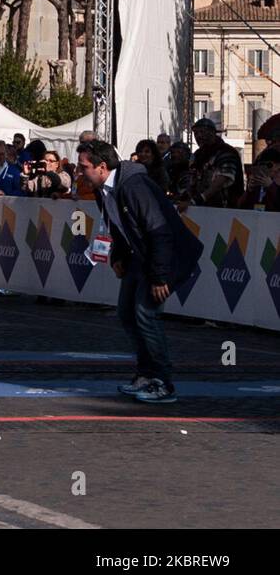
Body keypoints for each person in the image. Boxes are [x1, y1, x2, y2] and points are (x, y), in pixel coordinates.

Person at [75, 140, 203, 405]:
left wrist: (160, 276)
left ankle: (163, 382)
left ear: (101, 166)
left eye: (83, 166)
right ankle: (146, 374)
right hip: (139, 256)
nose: (79, 172)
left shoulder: (134, 186)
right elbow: (118, 224)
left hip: (164, 257)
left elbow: (159, 231)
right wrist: (118, 256)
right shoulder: (103, 189)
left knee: (146, 315)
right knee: (126, 313)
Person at [186, 118, 243, 209]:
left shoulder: (226, 152)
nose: (198, 136)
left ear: (212, 132)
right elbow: (191, 179)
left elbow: (220, 181)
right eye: (195, 133)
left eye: (202, 131)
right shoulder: (197, 155)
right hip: (200, 208)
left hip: (225, 209)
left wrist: (199, 199)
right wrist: (187, 198)